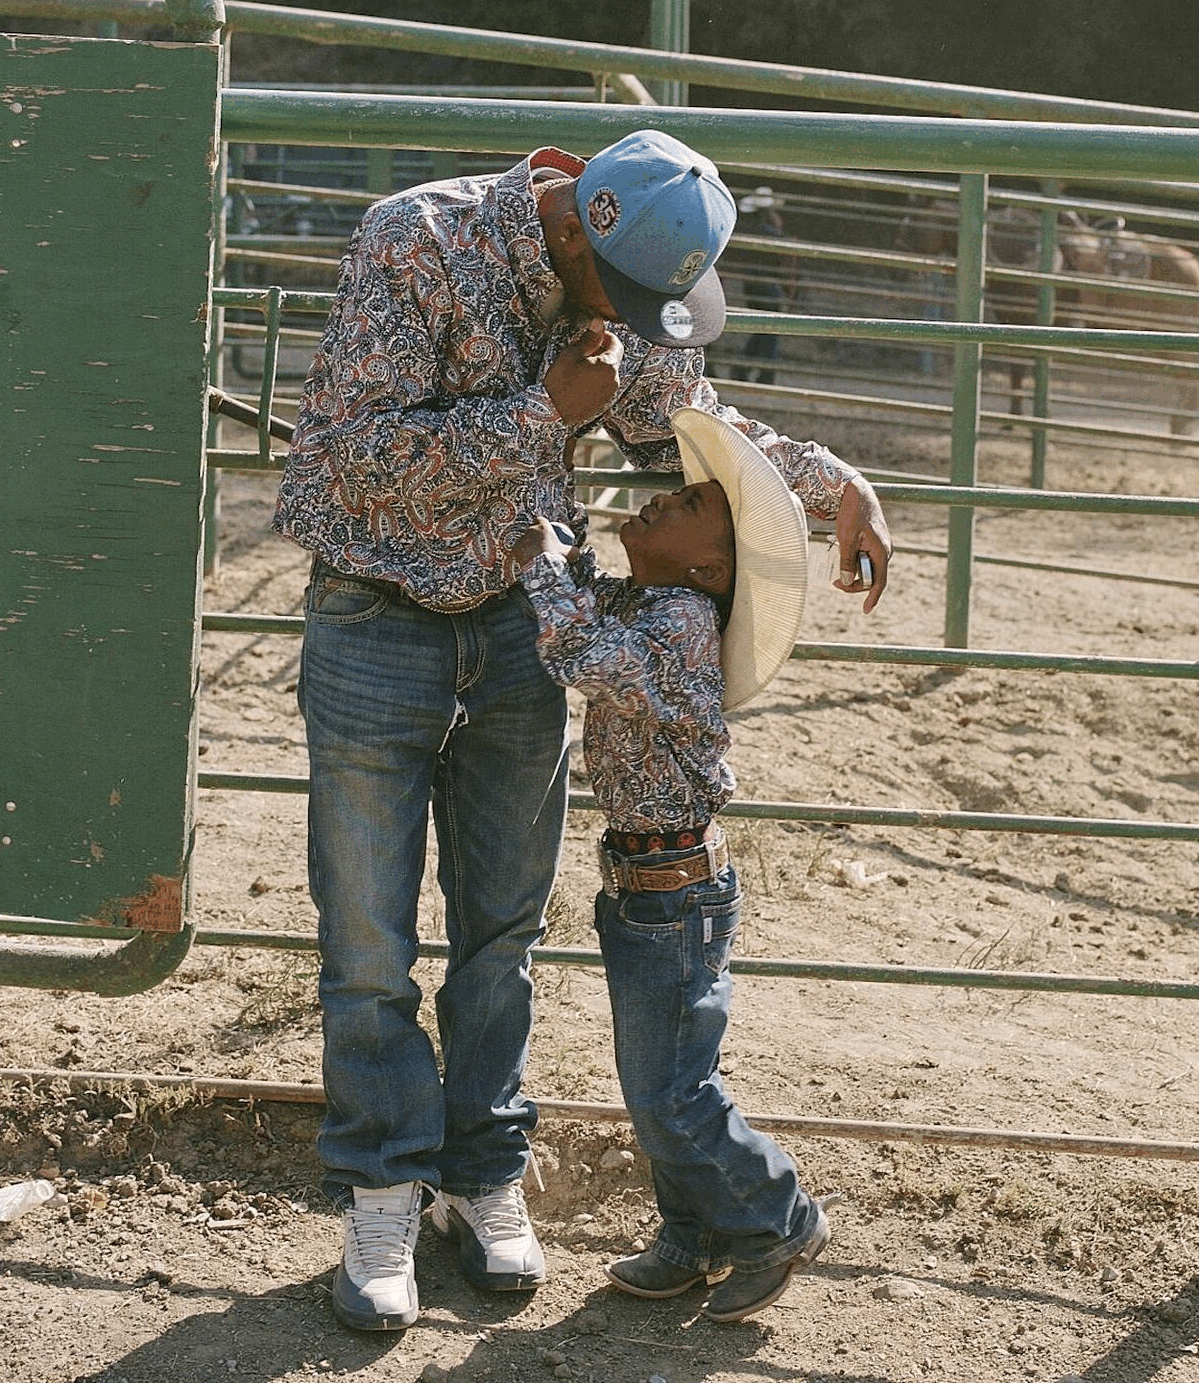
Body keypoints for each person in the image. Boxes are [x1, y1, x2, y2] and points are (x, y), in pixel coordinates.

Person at [270, 127, 892, 1331]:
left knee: (501, 931)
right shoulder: (416, 241)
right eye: (642, 301)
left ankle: (482, 1174)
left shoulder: (608, 283)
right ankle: (384, 1186)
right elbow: (346, 465)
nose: (654, 327)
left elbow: (684, 419)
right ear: (571, 232)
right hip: (377, 616)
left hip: (518, 631)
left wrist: (831, 485)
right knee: (363, 937)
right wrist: (537, 415)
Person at [506, 405, 828, 1323]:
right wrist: (563, 554)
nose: (664, 495)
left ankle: (778, 1214)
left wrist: (537, 562)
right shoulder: (661, 600)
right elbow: (590, 598)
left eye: (690, 503)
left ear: (709, 569)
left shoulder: (681, 622)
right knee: (658, 1085)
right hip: (651, 885)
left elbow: (579, 649)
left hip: (672, 894)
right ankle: (693, 1236)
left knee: (671, 1090)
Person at [735, 185, 797, 385]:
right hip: (768, 285)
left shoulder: (752, 231)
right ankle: (763, 373)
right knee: (770, 329)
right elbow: (786, 257)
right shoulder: (772, 233)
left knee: (763, 329)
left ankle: (747, 369)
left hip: (752, 284)